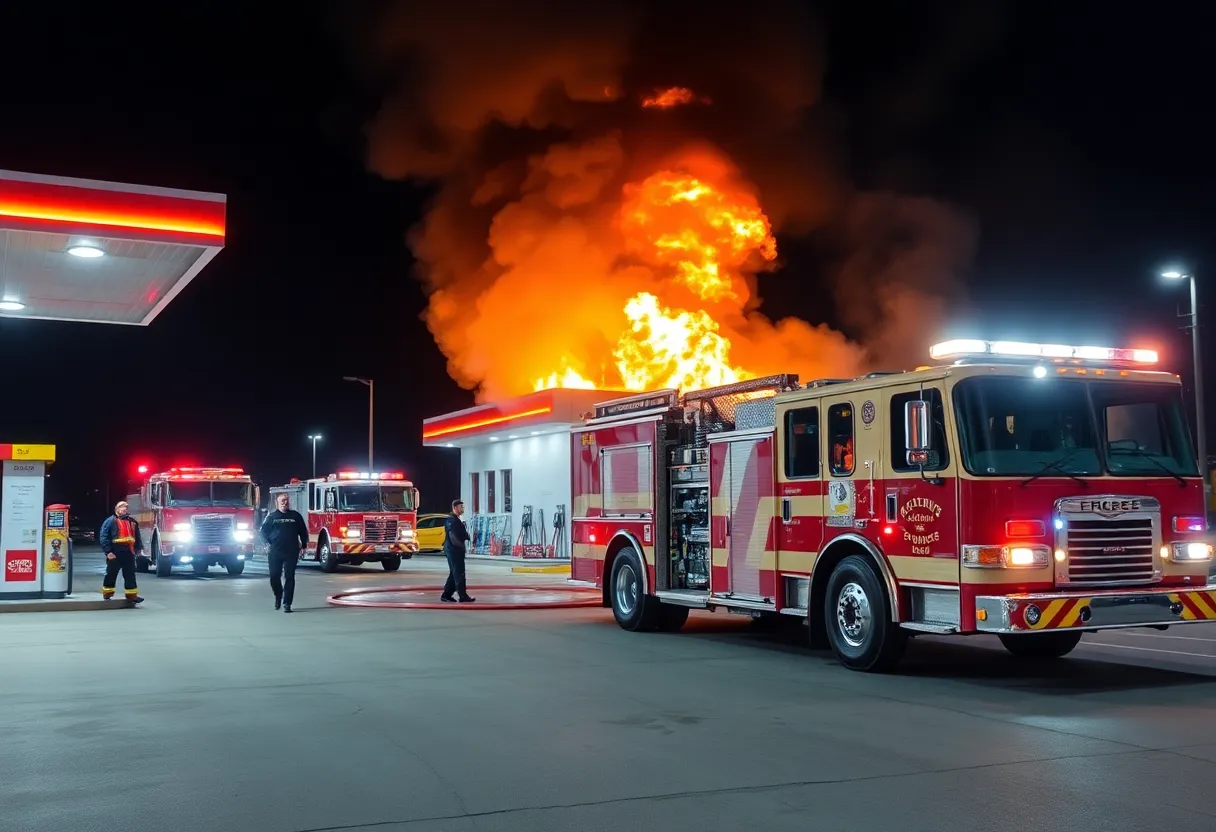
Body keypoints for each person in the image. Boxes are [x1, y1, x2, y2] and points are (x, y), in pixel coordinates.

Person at [260, 493, 309, 613]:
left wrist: (304, 545)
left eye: (286, 500)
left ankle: (287, 603)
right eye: (282, 501)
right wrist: (265, 544)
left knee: (289, 576)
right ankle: (278, 595)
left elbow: (303, 531)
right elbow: (262, 532)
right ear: (277, 502)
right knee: (274, 576)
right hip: (275, 551)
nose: (284, 503)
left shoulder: (295, 516)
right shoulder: (272, 517)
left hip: (291, 551)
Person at [99, 500, 144, 604]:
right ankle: (107, 594)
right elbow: (104, 537)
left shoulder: (133, 522)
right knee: (111, 574)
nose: (124, 509)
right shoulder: (110, 521)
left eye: (126, 507)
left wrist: (138, 549)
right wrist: (108, 552)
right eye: (122, 507)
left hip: (129, 552)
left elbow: (137, 536)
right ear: (117, 509)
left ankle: (132, 596)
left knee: (130, 574)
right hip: (115, 551)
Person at [441, 498, 474, 603]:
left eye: (463, 507)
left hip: (454, 550)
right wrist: (461, 547)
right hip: (453, 550)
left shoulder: (456, 519)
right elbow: (453, 536)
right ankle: (462, 596)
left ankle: (446, 595)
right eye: (461, 507)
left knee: (454, 573)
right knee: (459, 573)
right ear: (455, 508)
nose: (462, 509)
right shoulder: (452, 520)